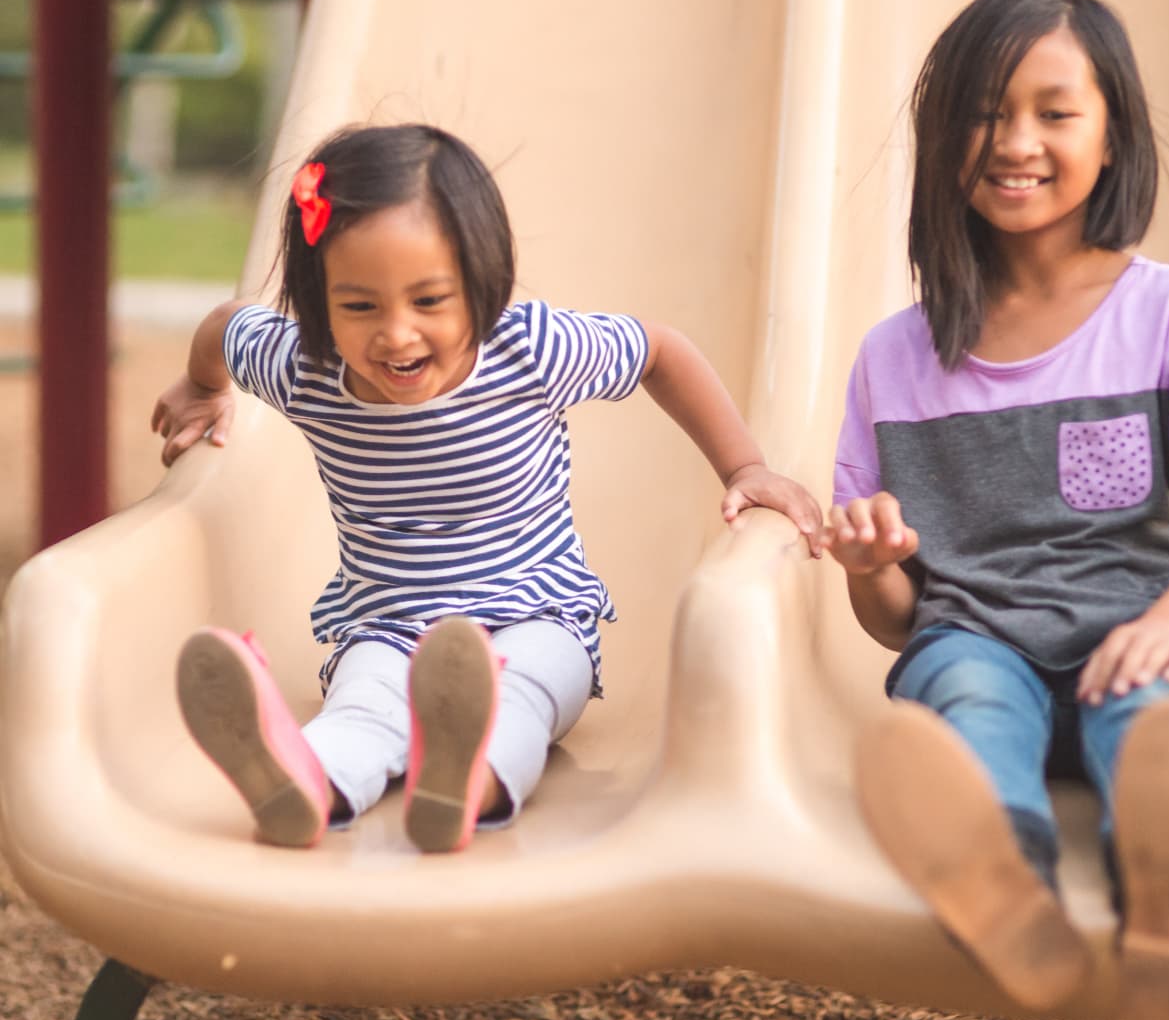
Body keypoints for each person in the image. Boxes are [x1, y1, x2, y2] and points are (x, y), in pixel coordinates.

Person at [153, 122, 823, 857]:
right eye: (361, 307)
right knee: (363, 704)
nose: (397, 335)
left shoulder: (527, 350)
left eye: (430, 300)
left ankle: (463, 777)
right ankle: (301, 782)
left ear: (483, 280)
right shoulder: (306, 367)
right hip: (387, 626)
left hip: (541, 614)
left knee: (526, 693)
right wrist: (199, 388)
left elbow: (659, 351)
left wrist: (744, 469)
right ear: (318, 303)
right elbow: (226, 328)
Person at [823, 0, 1169, 1020]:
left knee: (1146, 713)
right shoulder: (894, 359)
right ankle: (1001, 891)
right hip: (973, 638)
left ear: (1112, 134)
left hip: (1139, 632)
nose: (1013, 139)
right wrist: (870, 564)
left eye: (1052, 110)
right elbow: (897, 618)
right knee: (969, 696)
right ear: (942, 138)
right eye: (982, 112)